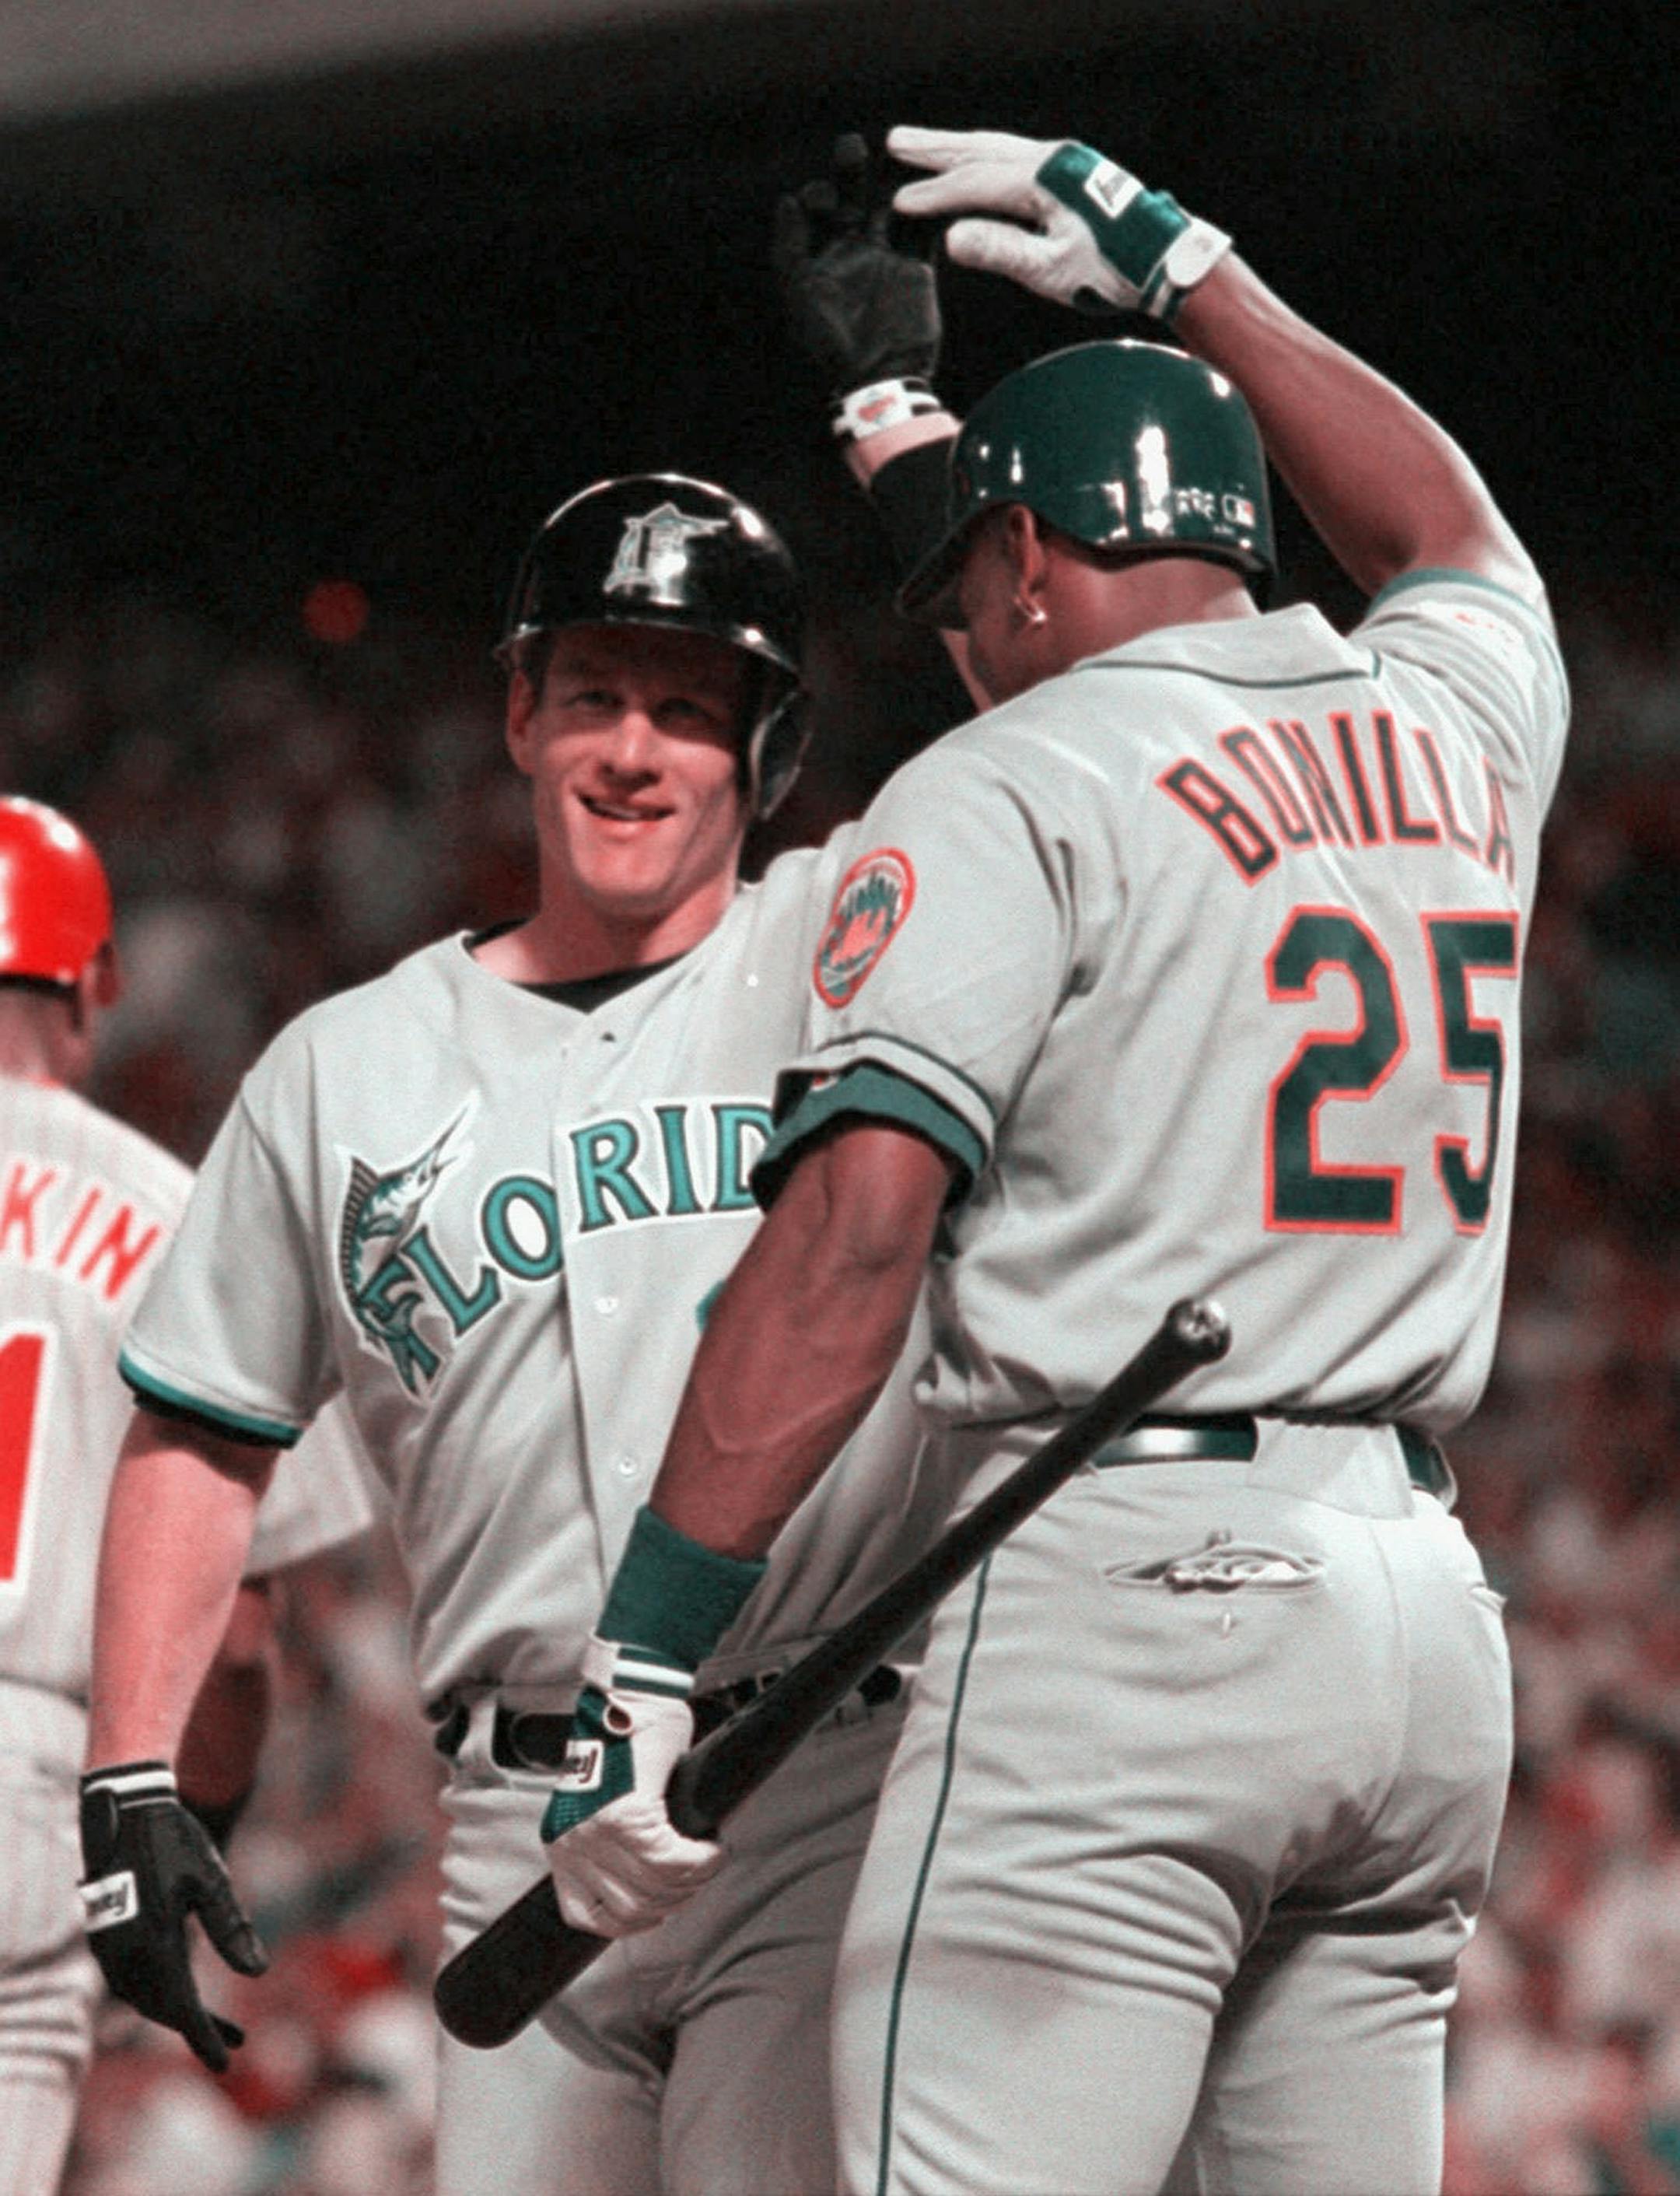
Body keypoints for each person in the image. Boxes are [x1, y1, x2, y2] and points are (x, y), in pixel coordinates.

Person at [541, 128, 1569, 2195]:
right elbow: (1447, 526)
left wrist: (651, 1642)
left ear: (1017, 566)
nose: (955, 612)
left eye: (968, 574)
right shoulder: (1455, 722)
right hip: (1417, 1634)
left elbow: (848, 1247)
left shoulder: (1002, 781)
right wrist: (1185, 261)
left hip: (1128, 1616)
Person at [79, 475, 955, 2196]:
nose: (633, 749)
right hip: (514, 1817)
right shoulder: (348, 1064)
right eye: (595, 694)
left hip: (820, 1778)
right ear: (519, 711)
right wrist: (129, 1770)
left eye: (691, 707)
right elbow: (202, 1428)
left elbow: (1059, 735)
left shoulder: (852, 951)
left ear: (765, 749)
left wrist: (902, 442)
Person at [0, 796, 374, 2192]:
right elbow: (235, 1635)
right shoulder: (173, 1211)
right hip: (32, 1775)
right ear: (98, 983)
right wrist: (184, 1818)